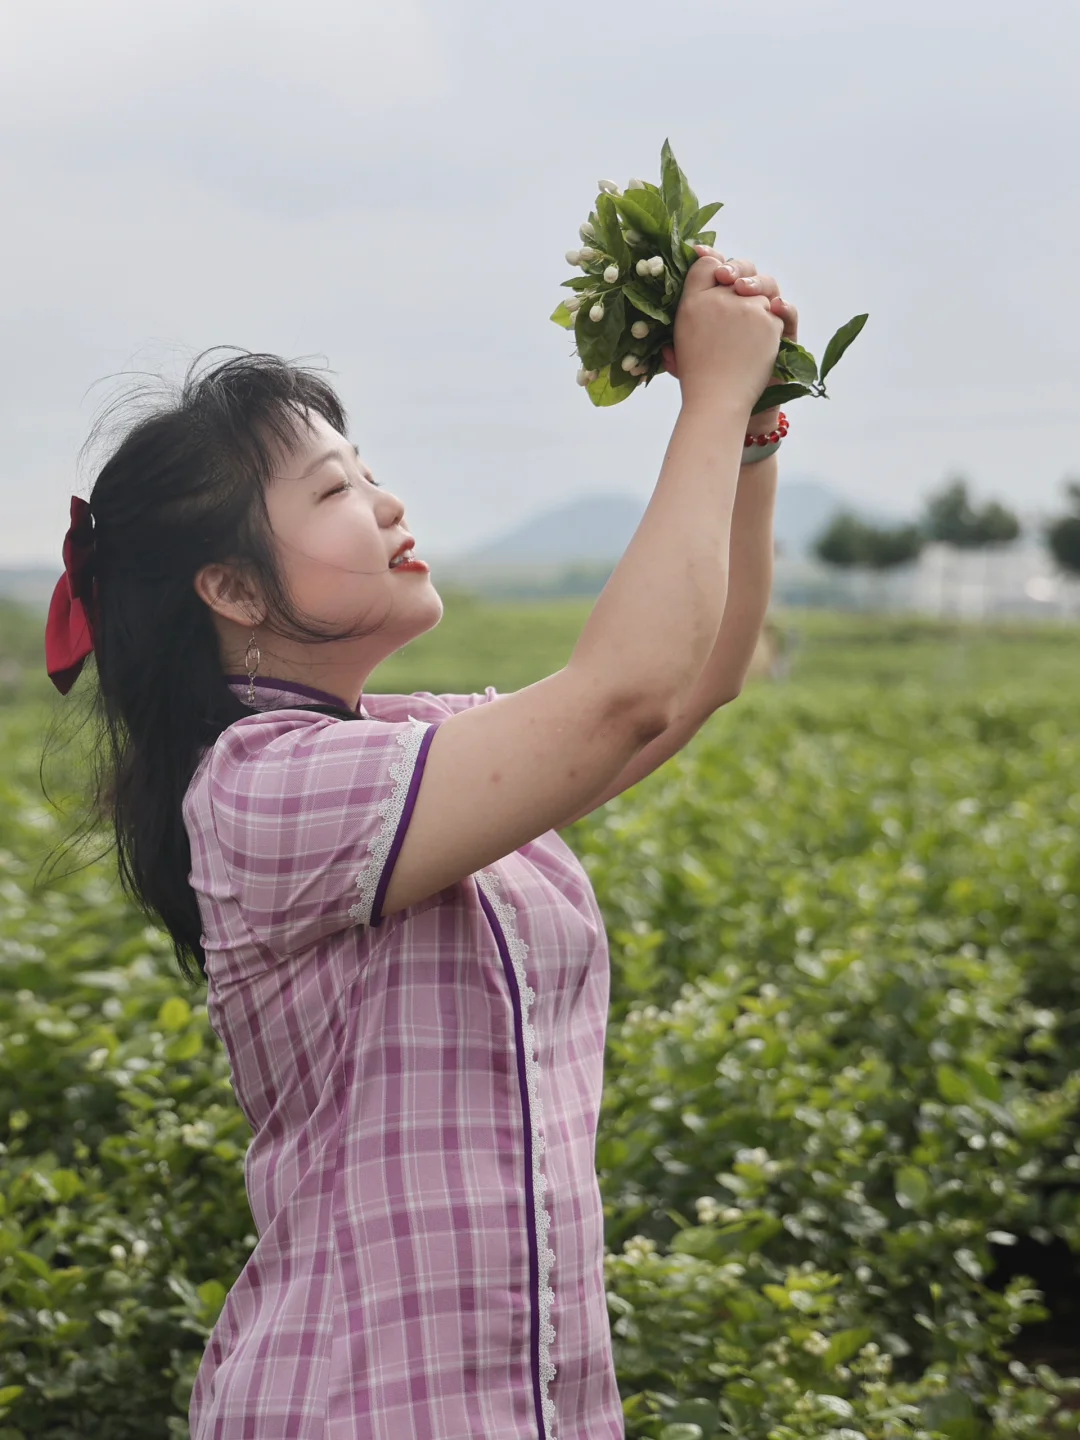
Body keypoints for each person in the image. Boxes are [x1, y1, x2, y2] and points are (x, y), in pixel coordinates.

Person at [44, 245, 797, 1439]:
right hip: (359, 1403)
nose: (389, 504)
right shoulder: (262, 792)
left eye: (369, 473)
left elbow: (697, 676)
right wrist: (706, 399)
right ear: (231, 591)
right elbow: (623, 695)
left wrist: (748, 433)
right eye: (337, 492)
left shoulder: (411, 744)